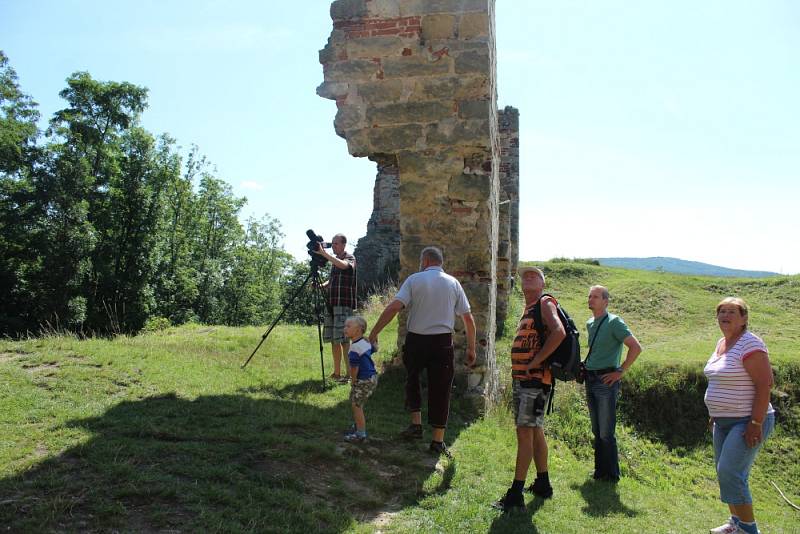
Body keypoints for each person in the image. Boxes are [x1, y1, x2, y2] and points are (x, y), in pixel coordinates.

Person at [368, 246, 476, 457]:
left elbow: (393, 308)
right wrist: (471, 348)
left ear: (425, 261)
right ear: (439, 262)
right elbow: (468, 319)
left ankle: (416, 425)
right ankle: (437, 440)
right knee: (441, 388)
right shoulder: (454, 283)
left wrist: (373, 333)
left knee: (412, 380)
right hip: (442, 343)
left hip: (416, 340)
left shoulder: (414, 280)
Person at [493, 266, 565, 512]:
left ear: (542, 284)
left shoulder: (544, 303)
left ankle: (515, 494)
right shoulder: (529, 308)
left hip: (534, 381)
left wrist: (535, 362)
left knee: (525, 433)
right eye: (525, 275)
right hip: (526, 380)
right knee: (534, 431)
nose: (529, 277)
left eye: (535, 275)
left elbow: (559, 332)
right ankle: (543, 483)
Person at [705, 297, 775, 534]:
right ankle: (735, 523)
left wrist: (756, 423)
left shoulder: (750, 344)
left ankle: (748, 529)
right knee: (723, 472)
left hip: (747, 420)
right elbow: (722, 380)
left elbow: (765, 384)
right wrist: (716, 411)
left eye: (732, 311)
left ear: (744, 318)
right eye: (721, 311)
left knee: (731, 472)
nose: (725, 315)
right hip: (723, 421)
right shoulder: (721, 343)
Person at [584, 285, 642, 483]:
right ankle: (600, 471)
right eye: (590, 296)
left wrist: (621, 371)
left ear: (606, 301)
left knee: (606, 431)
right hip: (590, 379)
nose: (591, 299)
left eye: (596, 297)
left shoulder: (614, 322)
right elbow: (595, 351)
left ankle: (612, 475)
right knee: (596, 429)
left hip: (606, 382)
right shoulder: (590, 323)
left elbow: (635, 347)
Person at [314, 233, 357, 383]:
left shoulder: (350, 258)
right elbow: (332, 281)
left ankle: (349, 375)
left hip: (344, 305)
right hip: (332, 304)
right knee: (334, 340)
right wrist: (321, 285)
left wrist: (324, 253)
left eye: (336, 244)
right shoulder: (334, 263)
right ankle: (337, 373)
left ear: (344, 244)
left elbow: (345, 266)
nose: (333, 246)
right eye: (332, 244)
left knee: (345, 340)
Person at [342, 316, 378, 443]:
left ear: (358, 330)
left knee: (356, 405)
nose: (345, 328)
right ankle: (358, 425)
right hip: (372, 377)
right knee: (355, 401)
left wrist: (353, 380)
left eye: (348, 326)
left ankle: (360, 434)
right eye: (345, 326)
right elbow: (374, 349)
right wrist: (374, 340)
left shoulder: (354, 348)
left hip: (364, 379)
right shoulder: (365, 342)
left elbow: (354, 368)